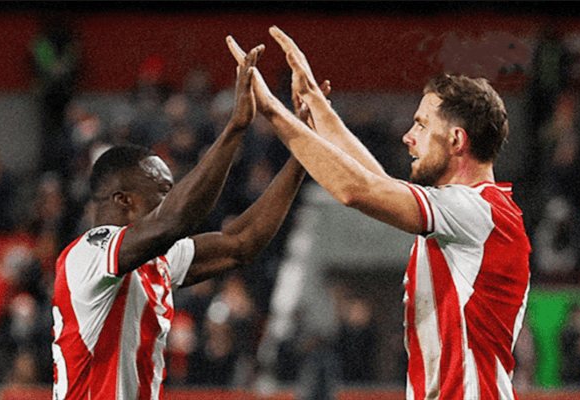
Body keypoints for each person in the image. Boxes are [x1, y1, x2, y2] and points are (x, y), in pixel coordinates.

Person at [227, 27, 531, 400]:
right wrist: (317, 108)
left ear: (456, 140)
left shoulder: (476, 210)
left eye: (422, 124)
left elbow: (357, 190)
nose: (408, 136)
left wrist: (270, 110)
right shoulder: (474, 213)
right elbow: (376, 183)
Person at [51, 44, 308, 400]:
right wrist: (235, 128)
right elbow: (176, 218)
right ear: (124, 199)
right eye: (161, 191)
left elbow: (241, 244)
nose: (169, 199)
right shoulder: (89, 254)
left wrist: (301, 156)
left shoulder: (152, 260)